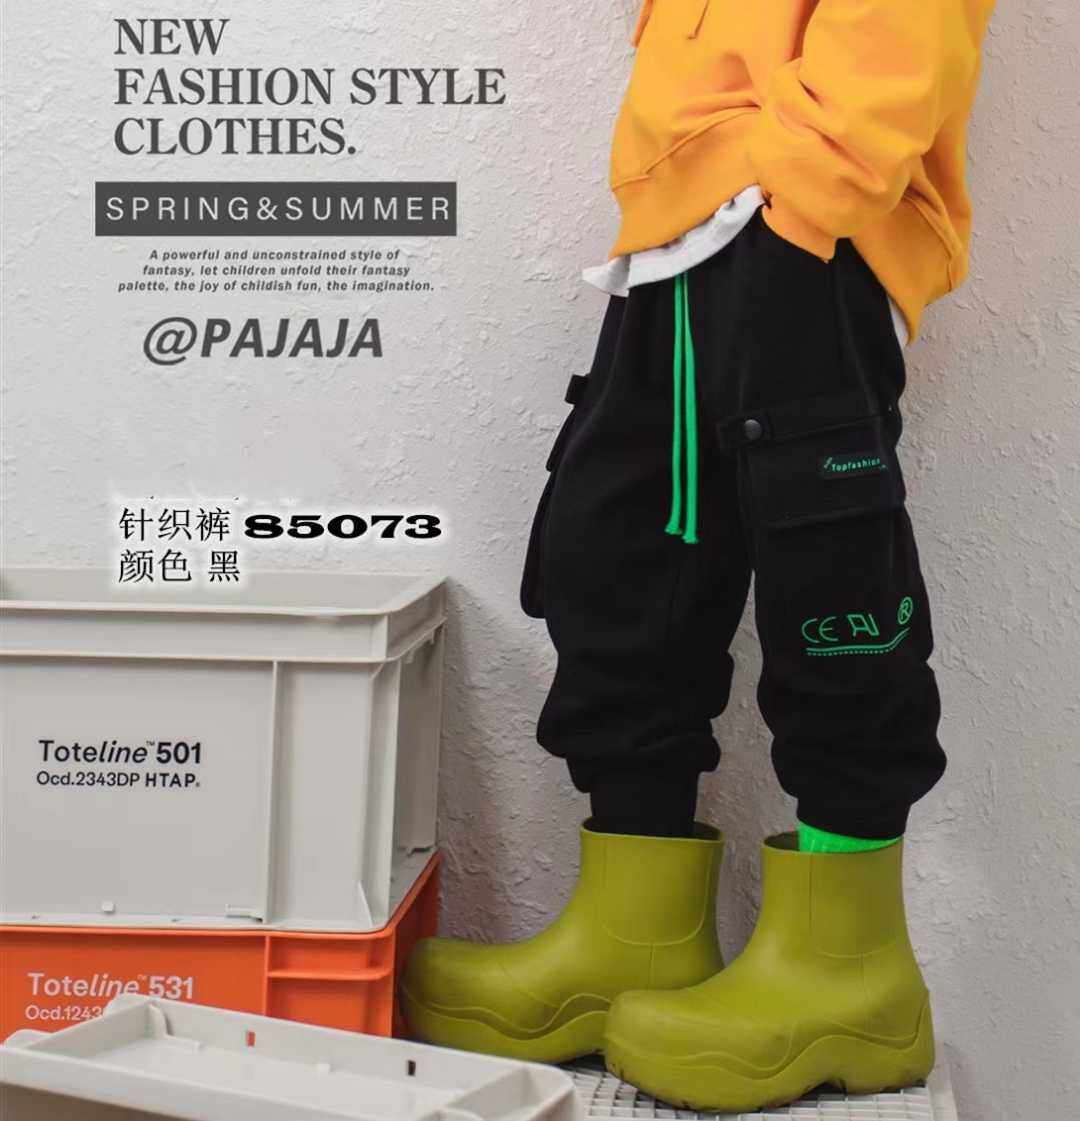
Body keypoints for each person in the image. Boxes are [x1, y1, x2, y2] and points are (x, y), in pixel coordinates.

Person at [403, 0, 996, 1109]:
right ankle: (637, 936)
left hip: (804, 224)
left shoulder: (802, 210)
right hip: (679, 231)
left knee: (830, 576)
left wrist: (800, 195)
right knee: (619, 555)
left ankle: (850, 973)